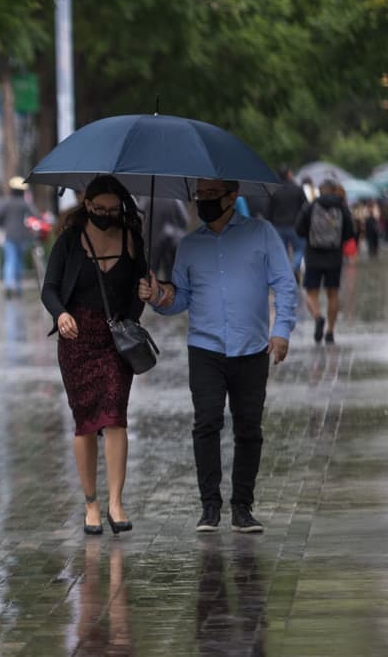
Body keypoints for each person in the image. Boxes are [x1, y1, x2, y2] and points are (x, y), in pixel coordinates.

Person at [141, 178, 296, 534]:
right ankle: (209, 506)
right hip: (205, 348)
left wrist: (282, 330)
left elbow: (285, 284)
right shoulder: (189, 245)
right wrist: (158, 295)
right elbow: (180, 298)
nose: (204, 202)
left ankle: (242, 507)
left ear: (232, 196)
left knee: (248, 429)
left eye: (212, 195)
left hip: (252, 348)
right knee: (207, 423)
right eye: (201, 195)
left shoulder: (262, 233)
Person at [41, 175, 147, 536]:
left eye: (113, 210)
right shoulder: (70, 240)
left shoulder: (131, 239)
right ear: (86, 205)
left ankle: (116, 502)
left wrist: (143, 296)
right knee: (86, 421)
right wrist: (61, 314)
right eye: (99, 208)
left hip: (116, 339)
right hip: (77, 338)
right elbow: (49, 289)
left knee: (115, 415)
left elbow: (139, 289)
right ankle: (91, 503)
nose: (106, 215)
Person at [294, 179, 356, 344]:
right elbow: (350, 233)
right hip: (334, 257)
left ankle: (318, 317)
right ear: (334, 190)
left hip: (313, 256)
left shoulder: (310, 206)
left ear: (319, 191)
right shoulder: (342, 207)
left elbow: (298, 229)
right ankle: (330, 332)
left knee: (310, 293)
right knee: (333, 294)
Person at [0, 176, 38, 299]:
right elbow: (35, 215)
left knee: (10, 261)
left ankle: (9, 286)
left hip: (9, 235)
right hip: (23, 237)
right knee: (19, 262)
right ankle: (19, 287)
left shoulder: (5, 202)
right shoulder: (25, 203)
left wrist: (3, 226)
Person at [266, 166, 308, 281]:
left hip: (278, 226)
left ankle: (286, 274)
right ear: (289, 174)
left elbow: (269, 210)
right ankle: (294, 267)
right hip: (295, 226)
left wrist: (269, 224)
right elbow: (305, 207)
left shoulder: (274, 190)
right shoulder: (298, 189)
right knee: (300, 249)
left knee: (282, 252)